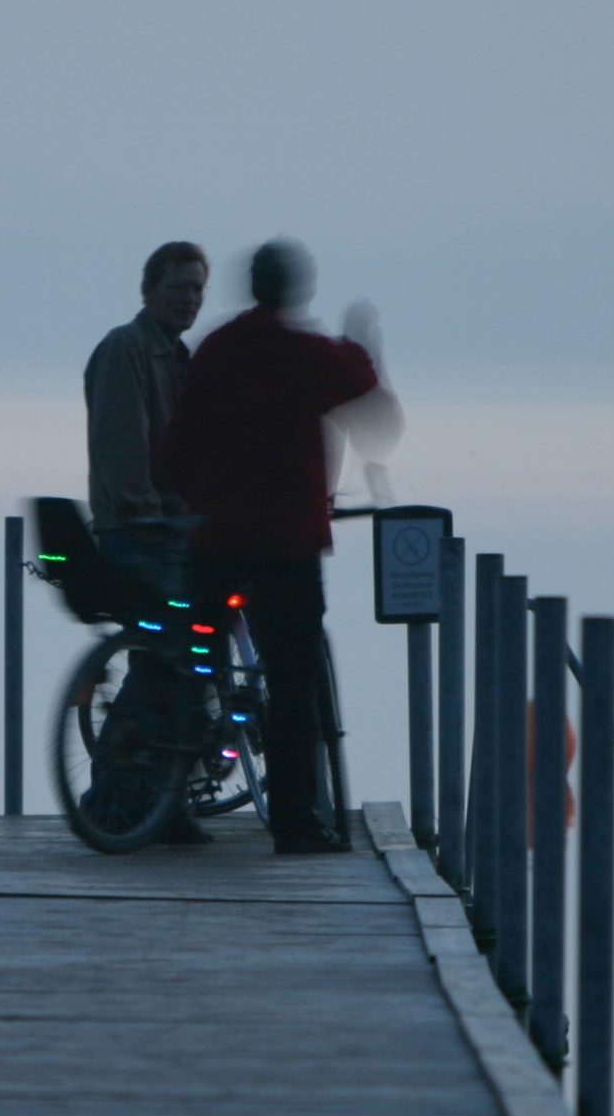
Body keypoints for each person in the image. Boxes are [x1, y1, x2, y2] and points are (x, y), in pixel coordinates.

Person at [160, 238, 402, 854]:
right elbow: (376, 411)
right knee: (294, 680)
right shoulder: (308, 354)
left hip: (214, 539)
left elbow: (177, 447)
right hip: (285, 545)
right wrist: (364, 339)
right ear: (298, 290)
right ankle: (295, 822)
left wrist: (191, 499)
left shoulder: (217, 348)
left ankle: (164, 796)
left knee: (192, 669)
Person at [83, 240, 207, 596]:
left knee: (179, 640)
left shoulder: (178, 358)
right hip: (139, 530)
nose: (188, 298)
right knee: (168, 637)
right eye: (177, 287)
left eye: (196, 289)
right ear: (147, 291)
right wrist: (150, 519)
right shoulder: (125, 348)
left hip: (170, 525)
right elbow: (122, 446)